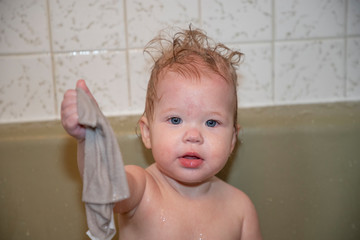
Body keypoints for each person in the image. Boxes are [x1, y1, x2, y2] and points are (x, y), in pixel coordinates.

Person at [61, 26, 262, 240]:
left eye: (211, 122)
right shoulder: (143, 189)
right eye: (175, 120)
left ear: (232, 140)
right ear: (147, 132)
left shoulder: (241, 209)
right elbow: (107, 187)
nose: (193, 135)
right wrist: (90, 138)